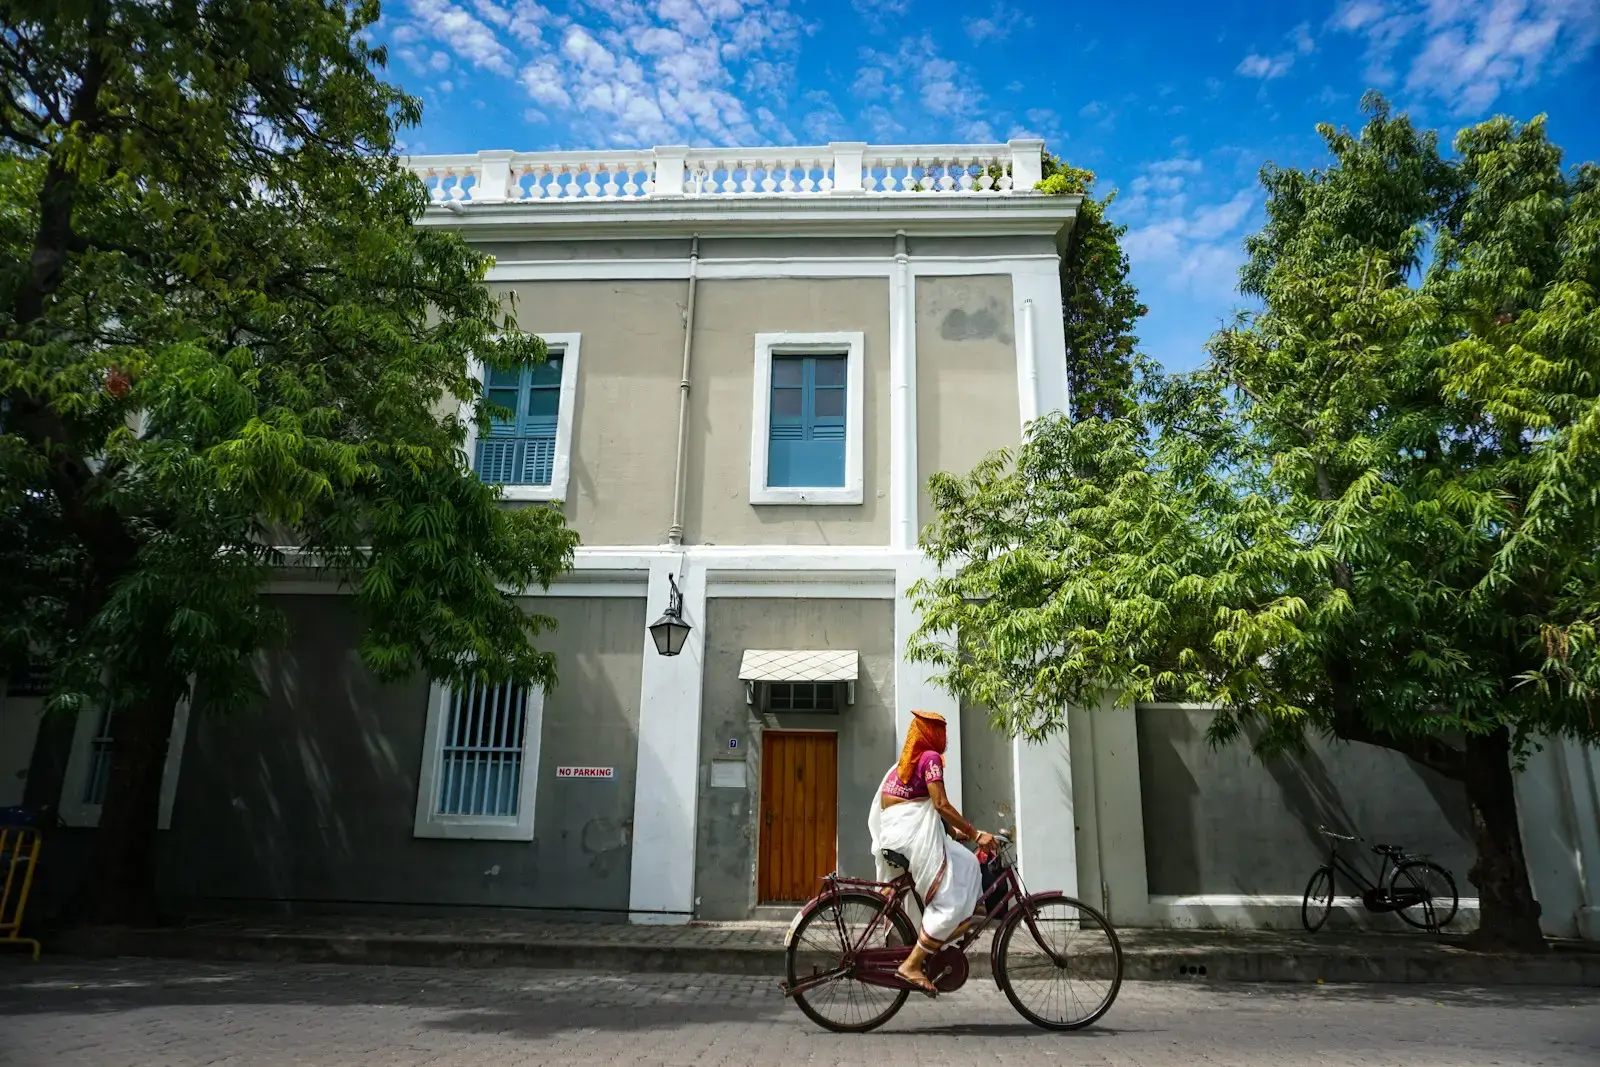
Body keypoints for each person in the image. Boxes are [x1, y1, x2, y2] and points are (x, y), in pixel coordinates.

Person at [867, 709, 995, 994]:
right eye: (939, 730)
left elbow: (916, 805)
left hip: (897, 833)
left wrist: (954, 832)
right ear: (928, 734)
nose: (944, 737)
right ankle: (913, 963)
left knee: (967, 860)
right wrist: (976, 834)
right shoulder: (930, 758)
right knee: (948, 901)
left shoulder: (905, 763)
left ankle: (968, 914)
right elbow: (940, 805)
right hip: (911, 836)